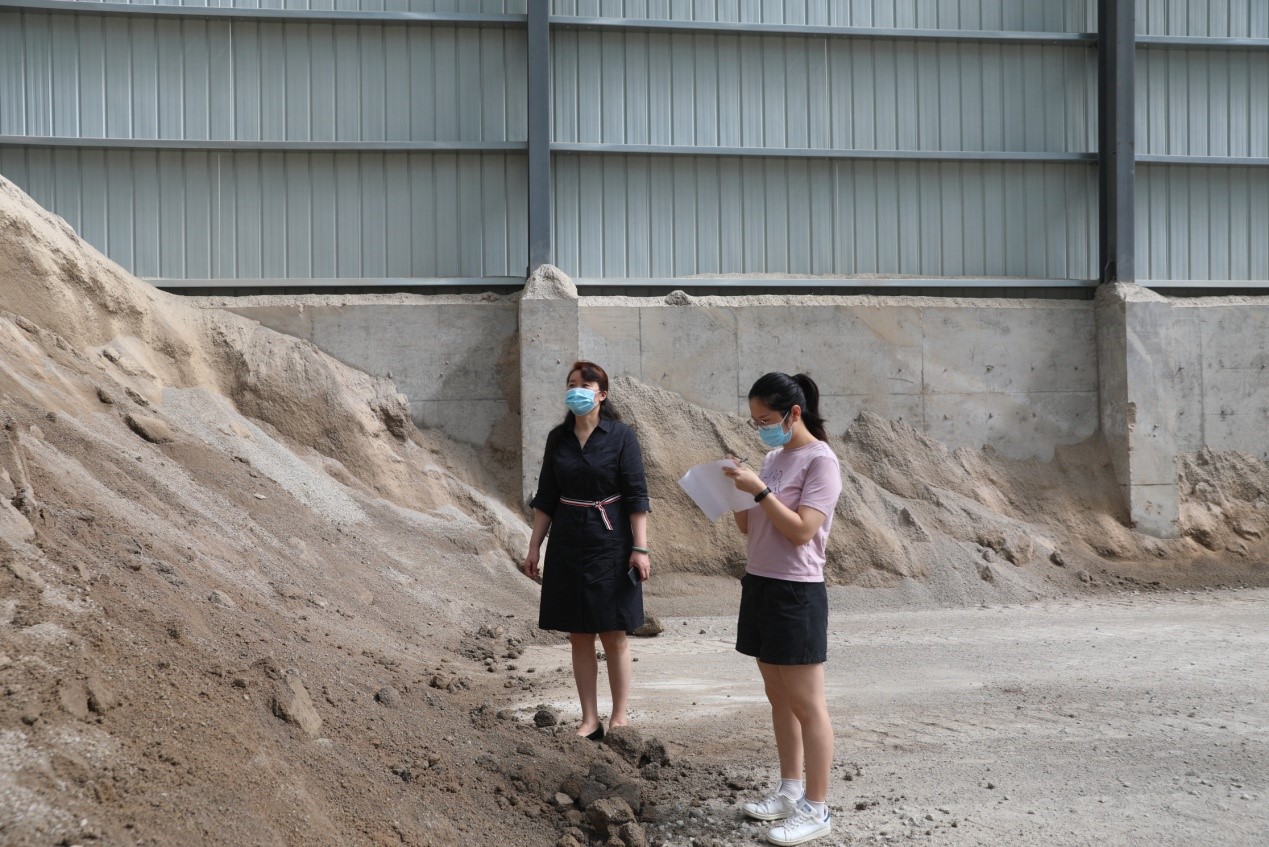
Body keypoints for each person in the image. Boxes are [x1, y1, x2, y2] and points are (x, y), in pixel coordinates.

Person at [721, 371, 843, 846]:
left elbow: (800, 531)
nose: (761, 428)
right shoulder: (773, 457)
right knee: (778, 696)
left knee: (808, 704)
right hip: (761, 584)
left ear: (794, 413)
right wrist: (735, 490)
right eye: (754, 421)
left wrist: (759, 490)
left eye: (767, 419)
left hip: (797, 591)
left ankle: (817, 807)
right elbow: (750, 530)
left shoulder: (821, 461)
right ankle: (790, 790)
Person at [522, 361, 651, 740]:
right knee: (578, 634)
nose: (576, 389)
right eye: (571, 384)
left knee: (613, 631)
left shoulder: (622, 436)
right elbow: (546, 497)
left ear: (602, 394)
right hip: (566, 542)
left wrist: (640, 548)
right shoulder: (556, 439)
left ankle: (620, 717)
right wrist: (534, 547)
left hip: (610, 542)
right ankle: (589, 719)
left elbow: (636, 495)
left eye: (585, 384)